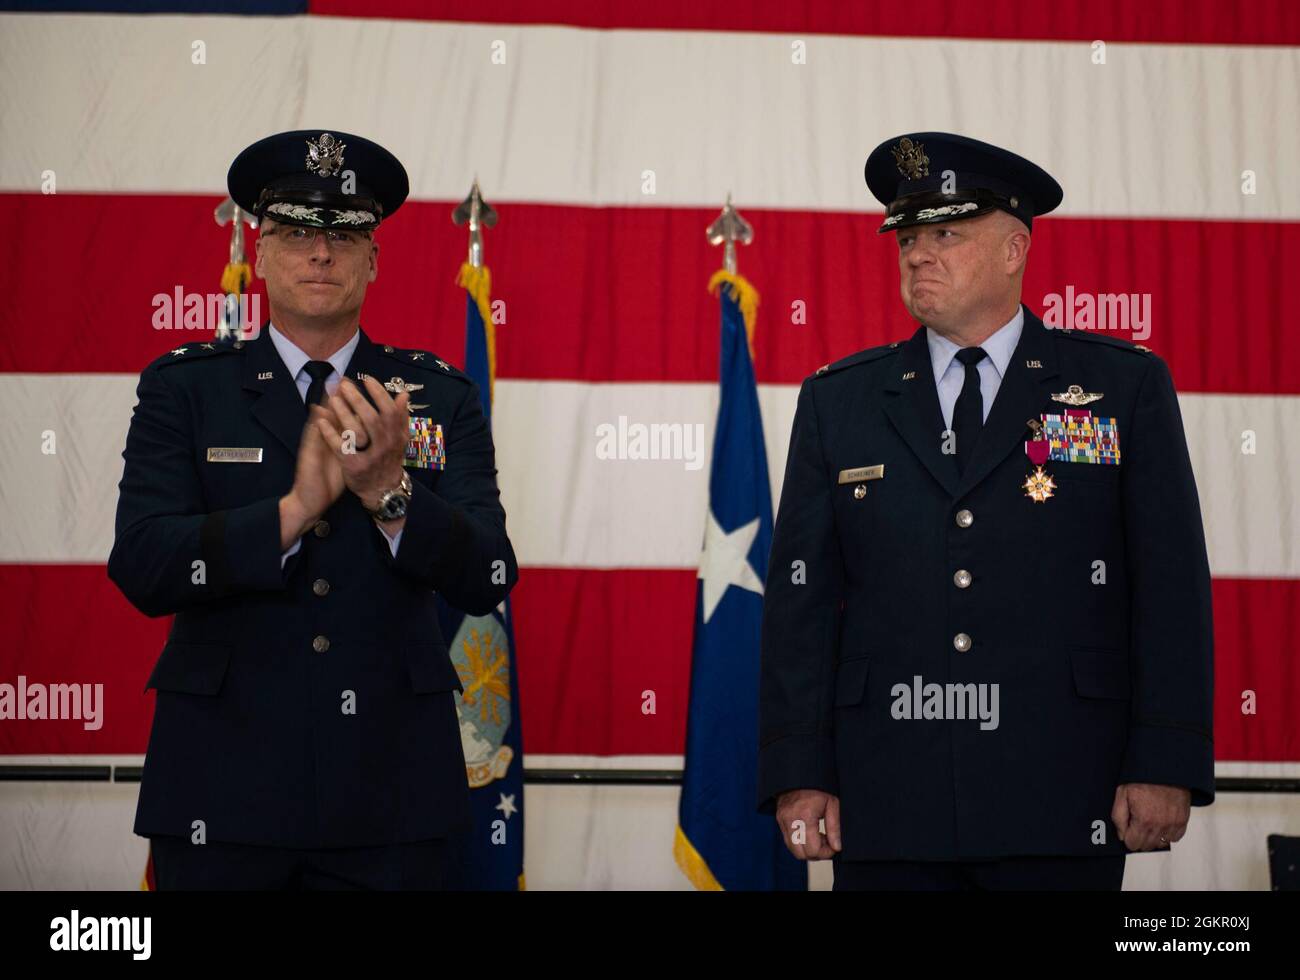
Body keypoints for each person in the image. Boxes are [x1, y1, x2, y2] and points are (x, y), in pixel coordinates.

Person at [757, 132, 1214, 890]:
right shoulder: (840, 401)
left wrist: (1165, 758)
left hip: (1066, 793)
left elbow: (1169, 587)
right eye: (907, 237)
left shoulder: (1121, 388)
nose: (916, 254)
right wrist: (798, 770)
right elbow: (800, 606)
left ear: (1013, 250)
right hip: (887, 797)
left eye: (945, 233)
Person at [108, 130, 518, 889]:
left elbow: (489, 574)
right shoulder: (186, 390)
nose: (320, 254)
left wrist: (390, 498)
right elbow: (142, 565)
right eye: (296, 232)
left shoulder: (439, 396)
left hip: (392, 797)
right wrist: (291, 513)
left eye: (343, 234)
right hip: (222, 790)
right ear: (258, 253)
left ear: (372, 258)